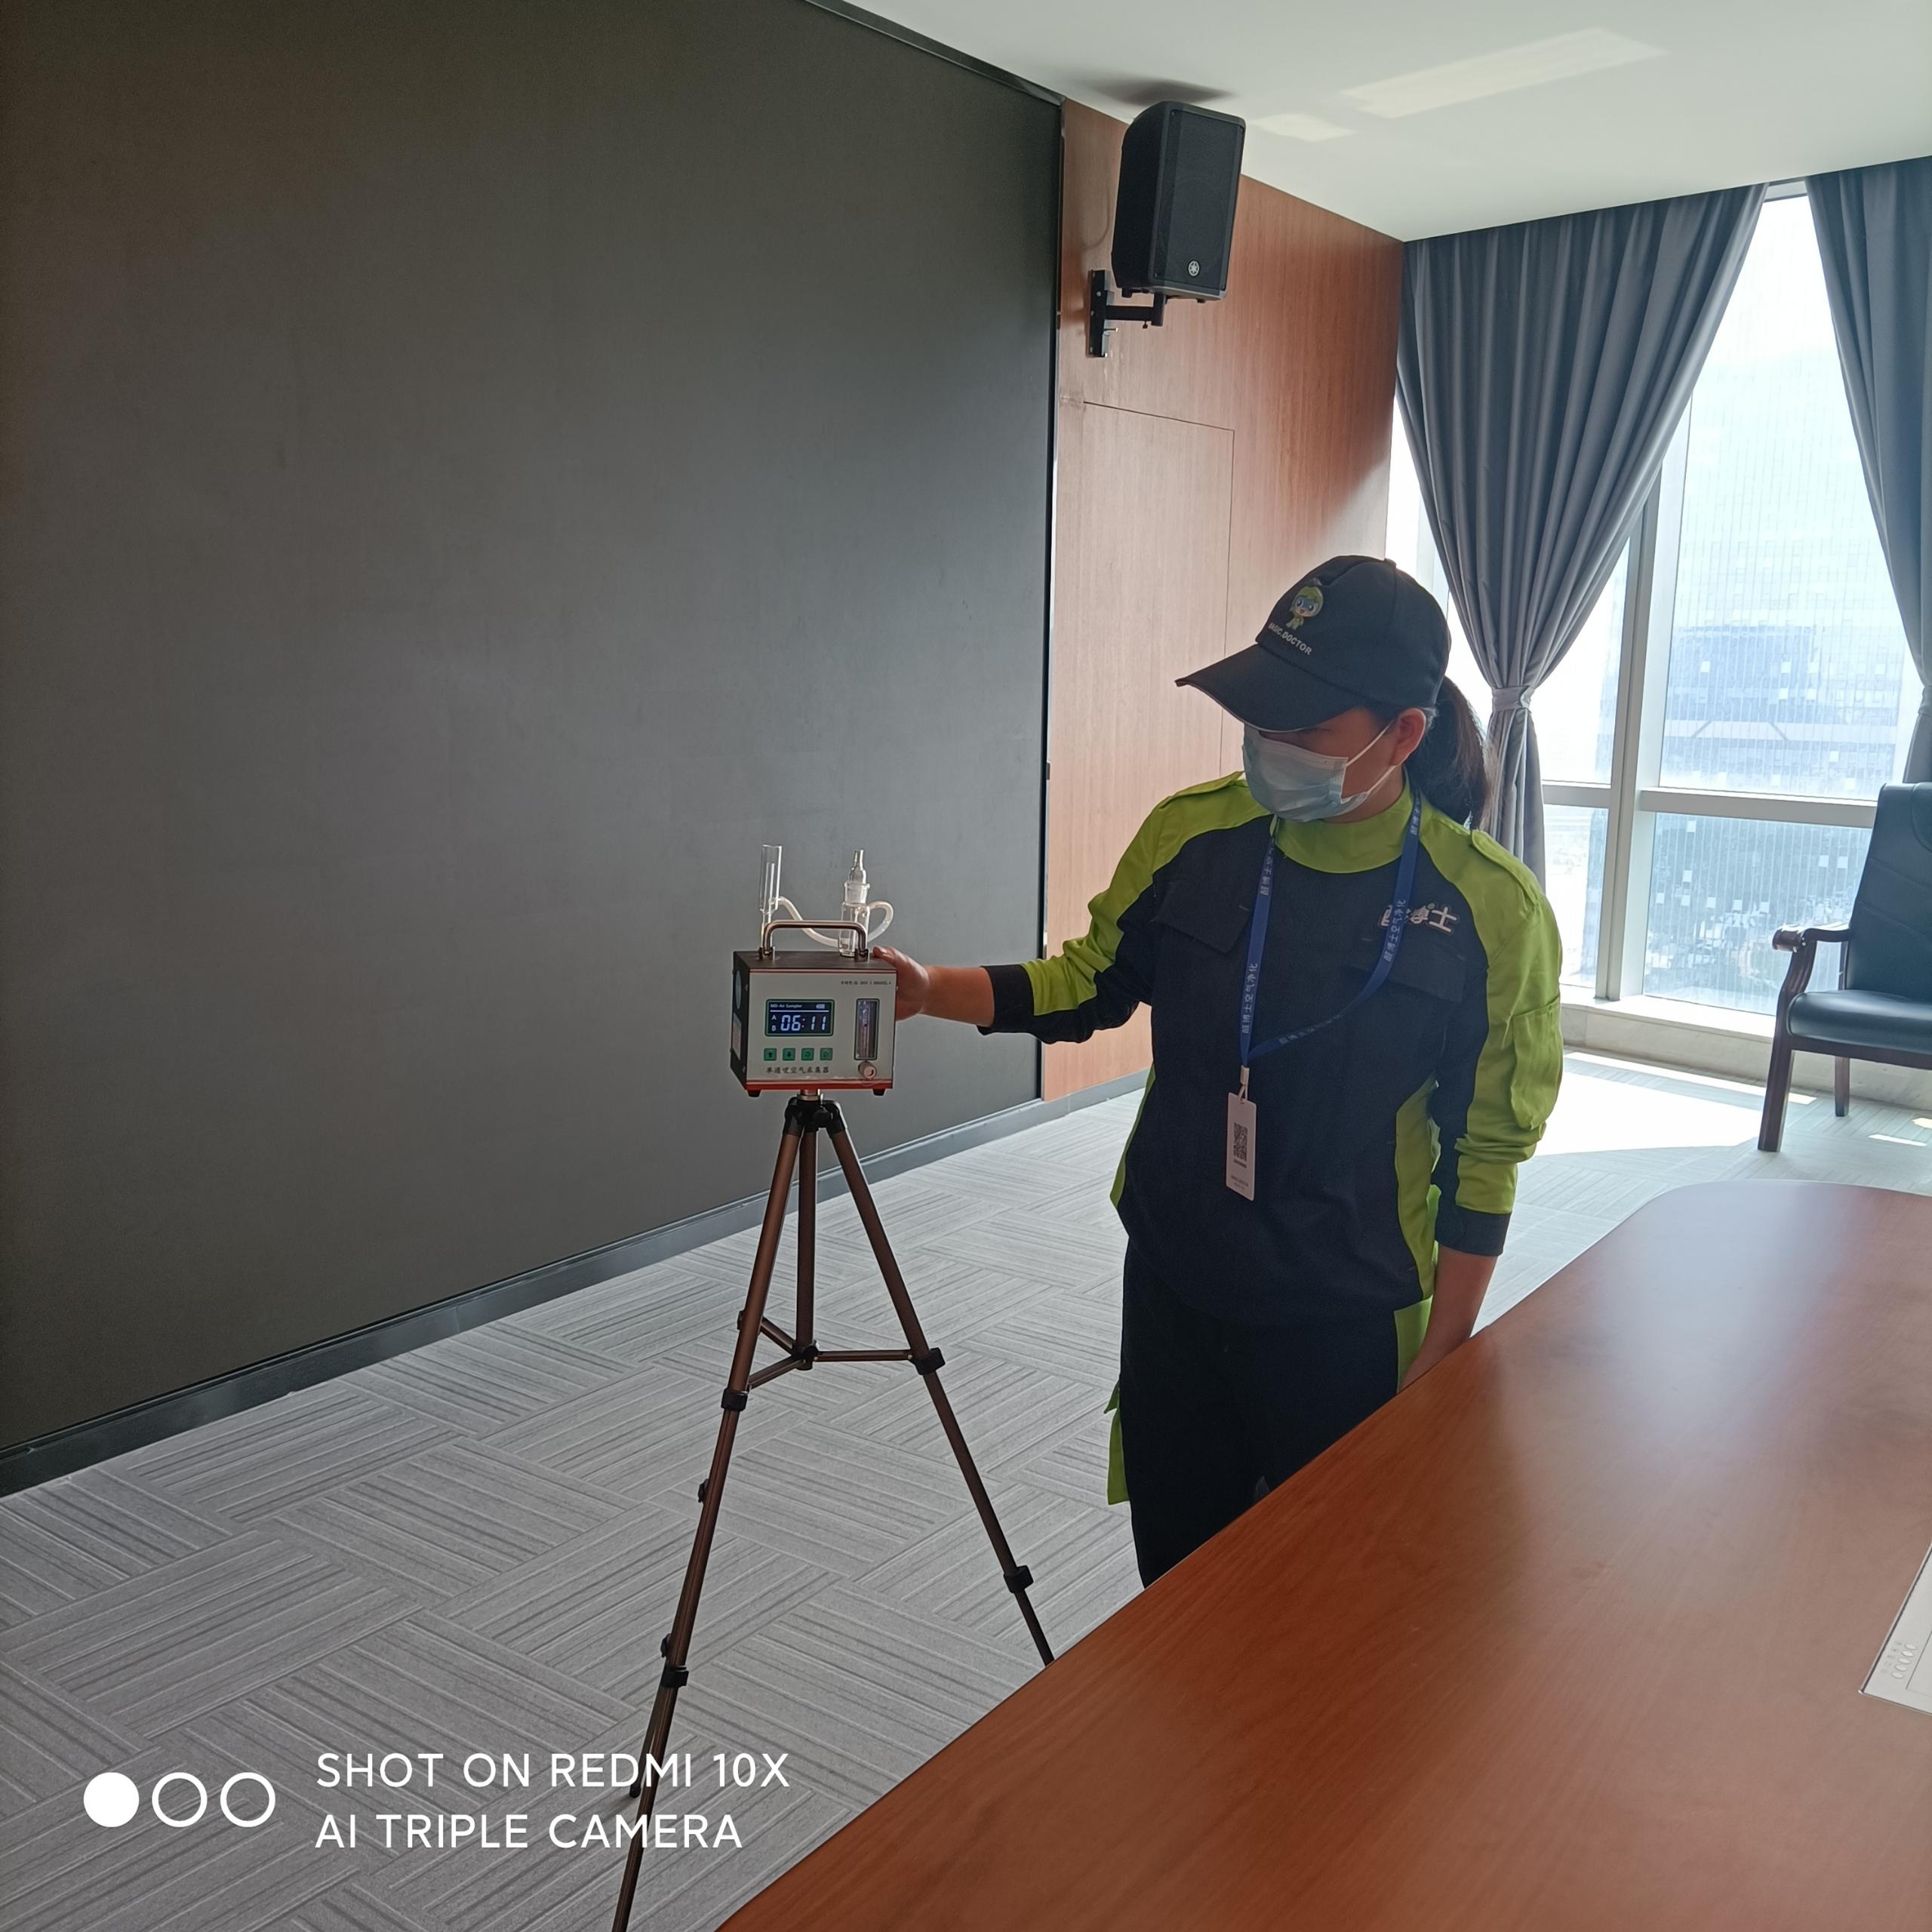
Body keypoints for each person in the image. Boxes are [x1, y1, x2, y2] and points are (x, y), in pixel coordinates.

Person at [878, 554, 1563, 1586]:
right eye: (1258, 715)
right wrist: (931, 988)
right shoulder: (1195, 834)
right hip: (1178, 1278)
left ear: (1403, 736)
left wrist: (1447, 1348)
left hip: (1345, 1309)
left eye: (1303, 725)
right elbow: (1088, 983)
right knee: (1179, 1581)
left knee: (1328, 1595)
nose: (1268, 744)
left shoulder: (1488, 909)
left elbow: (1489, 1149)